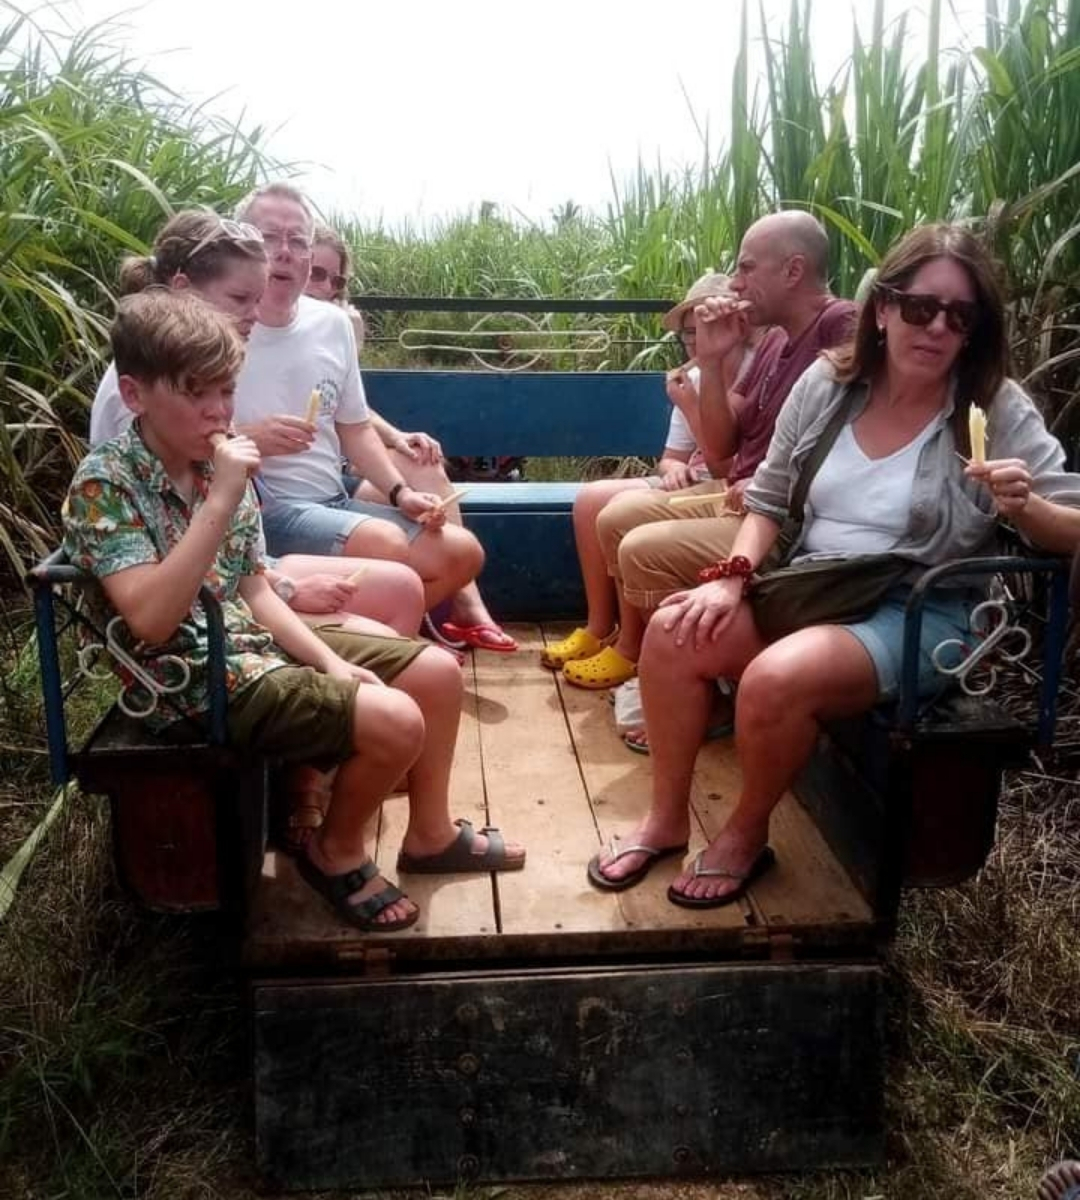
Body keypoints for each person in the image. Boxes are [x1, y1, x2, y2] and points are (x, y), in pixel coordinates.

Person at [587, 221, 1080, 898]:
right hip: (815, 581)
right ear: (884, 307)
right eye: (919, 307)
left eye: (958, 315)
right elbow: (766, 501)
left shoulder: (993, 405)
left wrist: (1024, 506)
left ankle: (745, 833)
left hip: (919, 606)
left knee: (774, 679)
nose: (936, 327)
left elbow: (1070, 527)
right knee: (677, 631)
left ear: (974, 329)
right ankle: (666, 820)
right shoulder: (829, 383)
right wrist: (732, 578)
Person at [65, 290, 525, 930]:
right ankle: (333, 851)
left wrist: (332, 661)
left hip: (245, 643)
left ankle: (429, 834)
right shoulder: (106, 484)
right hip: (184, 679)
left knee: (437, 676)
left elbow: (254, 591)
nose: (218, 411)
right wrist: (221, 500)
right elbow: (151, 623)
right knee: (395, 721)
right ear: (137, 396)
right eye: (197, 393)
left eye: (225, 392)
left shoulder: (211, 466)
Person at [549, 211, 856, 696]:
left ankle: (689, 682)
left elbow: (860, 434)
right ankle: (660, 662)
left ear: (794, 271)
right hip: (737, 492)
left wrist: (779, 487)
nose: (736, 282)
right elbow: (721, 449)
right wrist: (711, 363)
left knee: (640, 547)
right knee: (611, 518)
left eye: (747, 267)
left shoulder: (842, 326)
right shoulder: (776, 340)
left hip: (782, 513)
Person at [87, 210, 425, 640]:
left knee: (404, 588)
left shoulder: (202, 374)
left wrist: (279, 583)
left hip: (243, 568)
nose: (256, 313)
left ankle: (367, 677)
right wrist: (284, 590)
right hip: (201, 597)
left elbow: (241, 539)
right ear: (182, 290)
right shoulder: (143, 394)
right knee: (409, 641)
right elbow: (169, 545)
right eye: (240, 299)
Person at [302, 218, 518, 653]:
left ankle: (464, 603)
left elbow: (349, 410)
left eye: (336, 279)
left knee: (423, 461)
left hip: (335, 472)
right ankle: (398, 631)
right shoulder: (259, 328)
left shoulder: (334, 326)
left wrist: (399, 436)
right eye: (316, 273)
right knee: (406, 531)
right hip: (305, 484)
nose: (325, 287)